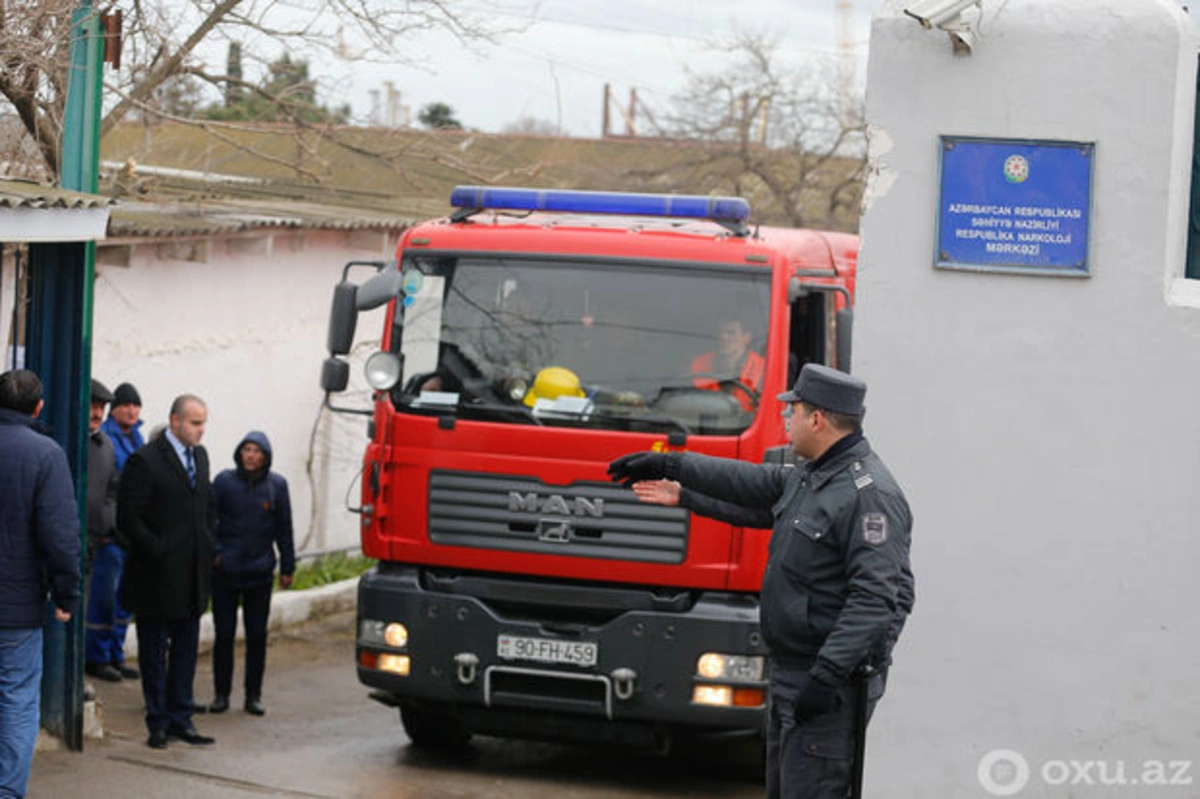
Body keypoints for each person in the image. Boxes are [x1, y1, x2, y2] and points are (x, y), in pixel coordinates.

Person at [608, 364, 915, 799]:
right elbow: (752, 488)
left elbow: (876, 598)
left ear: (817, 419)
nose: (785, 419)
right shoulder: (816, 476)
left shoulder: (868, 494)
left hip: (828, 686)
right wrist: (675, 469)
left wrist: (826, 676)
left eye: (793, 410)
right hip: (795, 673)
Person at [118, 394, 216, 750]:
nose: (200, 430)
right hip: (156, 577)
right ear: (175, 421)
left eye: (203, 422)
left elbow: (206, 506)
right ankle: (157, 721)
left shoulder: (200, 457)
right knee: (154, 652)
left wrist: (208, 544)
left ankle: (181, 718)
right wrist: (157, 548)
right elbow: (128, 518)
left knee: (186, 651)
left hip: (192, 574)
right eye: (194, 422)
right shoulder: (145, 461)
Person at [0, 370, 80, 798]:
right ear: (38, 407)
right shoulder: (46, 455)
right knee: (15, 700)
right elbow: (61, 537)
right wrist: (68, 594)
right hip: (16, 609)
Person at [208, 431, 296, 717]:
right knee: (224, 634)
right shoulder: (223, 482)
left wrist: (287, 566)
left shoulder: (276, 486)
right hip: (226, 571)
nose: (251, 456)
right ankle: (221, 694)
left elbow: (284, 527)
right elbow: (209, 519)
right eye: (246, 449)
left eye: (257, 451)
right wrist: (216, 553)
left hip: (259, 571)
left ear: (266, 456)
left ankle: (253, 695)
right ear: (239, 452)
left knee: (257, 635)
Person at [84, 378, 138, 684]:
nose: (97, 413)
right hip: (79, 541)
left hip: (105, 538)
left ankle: (109, 656)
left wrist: (110, 524)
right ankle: (94, 658)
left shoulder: (104, 445)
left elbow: (112, 490)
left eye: (101, 407)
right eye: (93, 405)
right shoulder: (73, 440)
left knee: (113, 601)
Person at [690, 318, 764, 411]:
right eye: (720, 333)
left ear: (747, 338)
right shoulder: (699, 363)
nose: (723, 337)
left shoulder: (763, 368)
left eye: (731, 333)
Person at [101, 382, 145, 471]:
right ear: (113, 409)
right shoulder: (103, 434)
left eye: (136, 406)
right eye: (126, 406)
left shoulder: (138, 435)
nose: (132, 412)